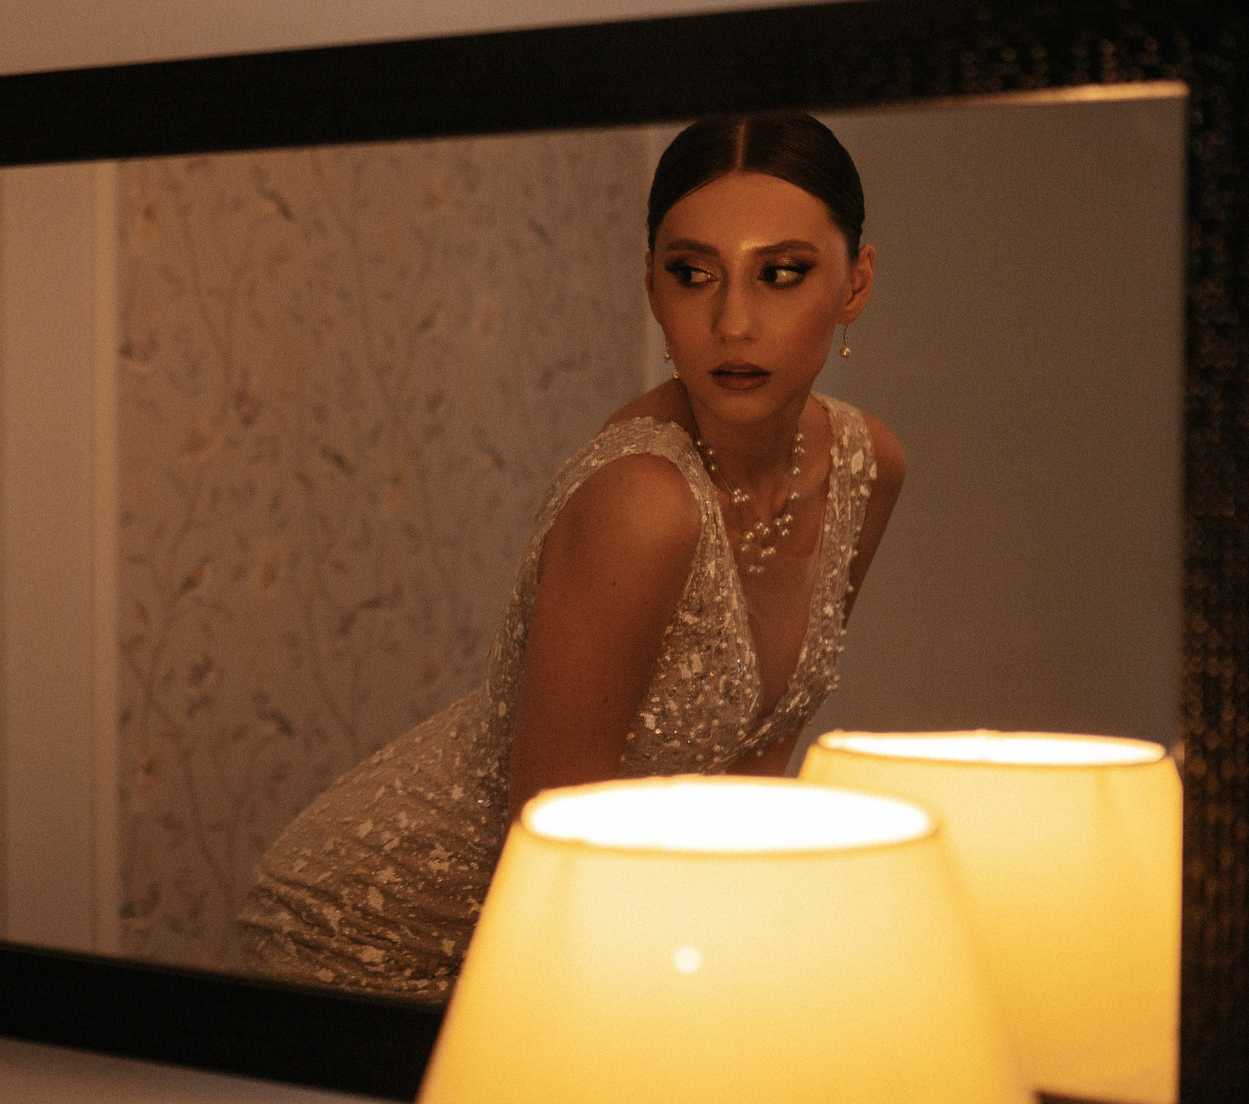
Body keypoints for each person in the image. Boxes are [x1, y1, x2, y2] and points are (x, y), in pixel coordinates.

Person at [236, 112, 907, 1000]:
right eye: (693, 274)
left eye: (781, 274)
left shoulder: (865, 467)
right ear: (652, 285)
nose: (734, 322)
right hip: (375, 931)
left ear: (856, 282)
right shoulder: (645, 502)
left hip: (591, 911)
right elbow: (551, 850)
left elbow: (752, 770)